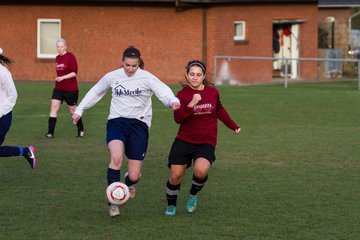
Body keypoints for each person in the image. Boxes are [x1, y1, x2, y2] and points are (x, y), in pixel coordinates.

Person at [72, 46, 180, 217]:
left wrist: (172, 101)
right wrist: (80, 110)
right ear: (122, 62)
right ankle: (113, 204)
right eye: (127, 65)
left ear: (139, 64)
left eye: (134, 66)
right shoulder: (112, 76)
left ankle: (130, 182)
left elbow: (164, 91)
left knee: (135, 175)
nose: (130, 69)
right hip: (117, 122)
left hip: (139, 125)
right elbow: (96, 91)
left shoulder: (147, 78)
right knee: (116, 158)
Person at [165, 60, 241, 216]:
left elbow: (219, 110)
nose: (194, 78)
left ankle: (193, 195)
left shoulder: (213, 92)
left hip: (206, 140)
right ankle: (171, 204)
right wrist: (191, 104)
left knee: (201, 170)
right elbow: (178, 119)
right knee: (176, 175)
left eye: (198, 75)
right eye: (191, 74)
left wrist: (233, 125)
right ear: (187, 75)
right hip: (185, 139)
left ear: (204, 76)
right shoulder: (182, 95)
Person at [0, 48, 36, 169]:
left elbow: (12, 96)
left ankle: (24, 151)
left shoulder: (3, 72)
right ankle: (25, 151)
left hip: (3, 117)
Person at [44, 38, 85, 138]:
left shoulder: (70, 57)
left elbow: (74, 73)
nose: (59, 49)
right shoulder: (57, 58)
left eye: (61, 47)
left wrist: (62, 77)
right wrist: (60, 79)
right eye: (58, 47)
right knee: (54, 107)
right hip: (59, 88)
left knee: (73, 111)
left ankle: (81, 128)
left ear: (65, 47)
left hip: (71, 89)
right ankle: (50, 133)